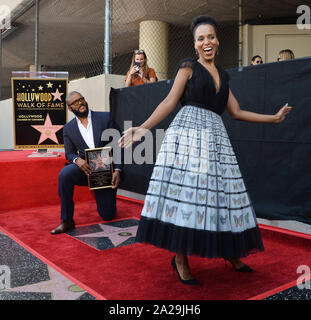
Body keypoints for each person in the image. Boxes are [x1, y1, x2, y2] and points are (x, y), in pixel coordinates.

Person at [119, 15, 292, 285]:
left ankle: (230, 250)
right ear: (195, 43)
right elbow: (169, 101)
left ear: (217, 40)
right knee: (190, 196)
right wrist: (143, 128)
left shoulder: (223, 75)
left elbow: (236, 111)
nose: (206, 42)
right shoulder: (188, 67)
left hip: (216, 139)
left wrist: (273, 118)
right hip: (188, 135)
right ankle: (180, 259)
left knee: (224, 196)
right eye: (201, 38)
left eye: (210, 36)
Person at [51, 91, 122, 235]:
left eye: (81, 99)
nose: (80, 103)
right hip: (86, 169)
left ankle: (106, 197)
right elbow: (69, 153)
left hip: (106, 171)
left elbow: (119, 144)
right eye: (75, 102)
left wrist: (118, 170)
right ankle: (67, 220)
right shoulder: (68, 128)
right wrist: (78, 160)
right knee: (65, 174)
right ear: (70, 108)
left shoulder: (105, 117)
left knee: (107, 215)